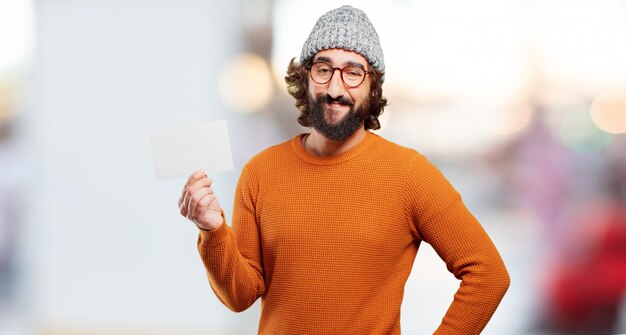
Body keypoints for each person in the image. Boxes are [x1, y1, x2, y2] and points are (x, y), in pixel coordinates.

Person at [179, 5, 510, 334]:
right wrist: (213, 231)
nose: (336, 89)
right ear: (305, 78)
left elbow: (488, 274)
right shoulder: (260, 173)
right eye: (324, 69)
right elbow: (240, 296)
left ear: (373, 86)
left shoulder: (409, 173)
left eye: (353, 72)